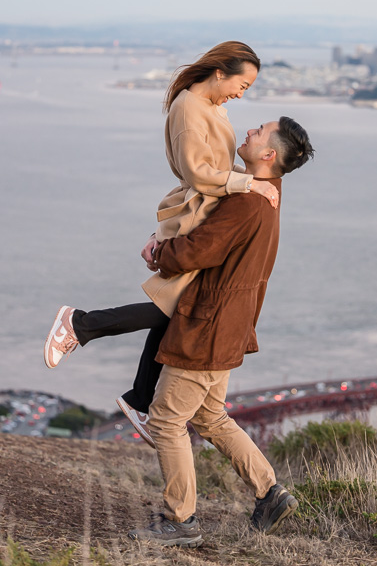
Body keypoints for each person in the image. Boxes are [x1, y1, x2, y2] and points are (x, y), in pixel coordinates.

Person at [44, 42, 279, 440]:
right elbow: (198, 172)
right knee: (178, 309)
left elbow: (216, 168)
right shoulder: (189, 108)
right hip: (194, 211)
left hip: (203, 210)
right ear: (220, 72)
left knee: (175, 311)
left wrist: (251, 181)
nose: (243, 93)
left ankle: (138, 399)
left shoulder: (212, 107)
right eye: (243, 83)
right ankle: (79, 325)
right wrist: (251, 183)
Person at [128, 116, 314, 548]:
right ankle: (270, 492)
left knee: (167, 419)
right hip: (230, 326)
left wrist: (159, 251)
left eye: (258, 132)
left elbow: (199, 250)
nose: (248, 131)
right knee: (210, 416)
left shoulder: (246, 201)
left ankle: (181, 520)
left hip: (208, 327)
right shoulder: (269, 193)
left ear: (269, 155)